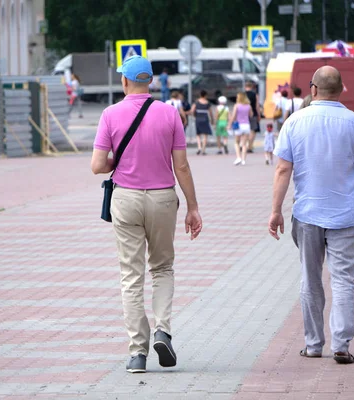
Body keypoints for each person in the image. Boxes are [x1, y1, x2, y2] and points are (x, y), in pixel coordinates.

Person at [90, 55, 203, 374]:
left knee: (131, 275)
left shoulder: (110, 114)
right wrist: (192, 207)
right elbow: (181, 165)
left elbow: (98, 165)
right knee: (163, 267)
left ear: (124, 81)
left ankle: (137, 354)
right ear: (151, 81)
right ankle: (163, 331)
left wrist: (119, 163)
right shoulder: (170, 113)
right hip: (163, 199)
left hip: (125, 199)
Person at [269, 66, 354, 365]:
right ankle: (341, 343)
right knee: (343, 280)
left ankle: (313, 344)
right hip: (345, 215)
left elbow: (282, 170)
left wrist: (276, 210)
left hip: (307, 215)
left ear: (313, 89)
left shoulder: (294, 122)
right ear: (342, 90)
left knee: (310, 278)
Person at [227, 92, 253, 165]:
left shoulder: (237, 106)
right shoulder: (248, 106)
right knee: (244, 144)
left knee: (237, 142)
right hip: (247, 125)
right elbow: (251, 115)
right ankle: (244, 160)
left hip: (239, 125)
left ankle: (238, 157)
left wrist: (229, 124)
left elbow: (233, 116)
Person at [188, 90, 214, 155]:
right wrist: (212, 120)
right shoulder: (207, 103)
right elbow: (210, 113)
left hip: (198, 118)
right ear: (205, 95)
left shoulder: (196, 102)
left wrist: (194, 115)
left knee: (198, 134)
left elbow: (192, 110)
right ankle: (203, 149)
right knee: (205, 135)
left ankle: (199, 147)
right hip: (205, 118)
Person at [245, 81, 261, 152]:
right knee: (253, 130)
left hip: (244, 114)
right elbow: (257, 106)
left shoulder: (242, 95)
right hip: (253, 113)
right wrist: (259, 115)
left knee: (245, 131)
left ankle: (244, 145)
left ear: (245, 86)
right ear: (251, 87)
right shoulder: (255, 95)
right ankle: (250, 146)